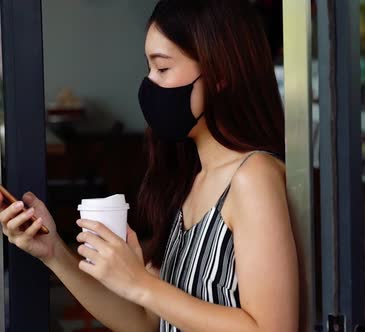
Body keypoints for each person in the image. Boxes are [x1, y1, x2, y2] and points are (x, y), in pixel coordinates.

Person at [0, 0, 299, 331]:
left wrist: (139, 282)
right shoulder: (189, 180)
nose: (149, 84)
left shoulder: (253, 177)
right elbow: (146, 322)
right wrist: (54, 252)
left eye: (163, 68)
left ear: (220, 75)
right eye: (149, 68)